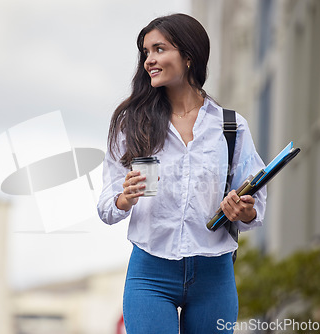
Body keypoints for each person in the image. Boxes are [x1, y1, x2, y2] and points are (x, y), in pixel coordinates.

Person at [97, 13, 267, 333]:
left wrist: (243, 209)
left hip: (214, 275)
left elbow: (255, 204)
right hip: (150, 273)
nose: (149, 60)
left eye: (159, 49)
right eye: (146, 52)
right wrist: (124, 198)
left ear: (188, 56)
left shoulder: (230, 126)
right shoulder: (131, 122)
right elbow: (106, 204)